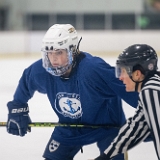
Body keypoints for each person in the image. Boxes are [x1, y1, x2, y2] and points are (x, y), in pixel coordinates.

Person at [6, 24, 138, 160]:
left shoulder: (92, 69)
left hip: (108, 128)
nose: (53, 59)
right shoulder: (41, 71)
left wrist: (150, 111)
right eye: (49, 53)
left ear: (73, 51)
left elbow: (127, 87)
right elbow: (27, 81)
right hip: (69, 127)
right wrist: (17, 107)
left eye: (59, 52)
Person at [91, 44, 160, 160]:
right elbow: (135, 129)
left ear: (137, 74)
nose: (120, 78)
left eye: (122, 72)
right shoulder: (151, 89)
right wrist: (104, 157)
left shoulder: (151, 91)